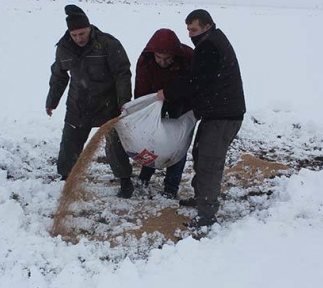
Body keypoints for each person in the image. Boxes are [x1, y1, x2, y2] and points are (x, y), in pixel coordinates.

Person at [156, 10, 246, 228]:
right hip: (216, 111)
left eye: (193, 29)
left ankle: (207, 214)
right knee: (199, 153)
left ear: (207, 26)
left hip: (224, 115)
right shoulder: (212, 39)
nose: (189, 35)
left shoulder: (209, 46)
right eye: (187, 29)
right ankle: (201, 197)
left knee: (209, 162)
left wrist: (166, 93)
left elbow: (194, 80)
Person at [45, 4, 134, 198]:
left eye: (82, 34)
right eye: (74, 34)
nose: (78, 39)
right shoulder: (64, 48)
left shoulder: (108, 44)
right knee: (70, 142)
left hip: (107, 104)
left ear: (89, 28)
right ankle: (66, 178)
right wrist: (52, 101)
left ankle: (125, 180)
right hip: (78, 103)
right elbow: (59, 75)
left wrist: (124, 102)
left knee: (114, 144)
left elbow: (122, 74)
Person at [134, 28, 194, 199]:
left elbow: (193, 83)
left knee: (178, 143)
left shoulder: (188, 57)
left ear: (175, 55)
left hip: (182, 101)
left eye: (167, 59)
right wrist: (142, 110)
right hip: (155, 101)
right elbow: (141, 88)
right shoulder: (145, 60)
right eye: (158, 58)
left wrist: (190, 110)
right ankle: (144, 177)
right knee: (152, 139)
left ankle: (171, 186)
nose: (162, 62)